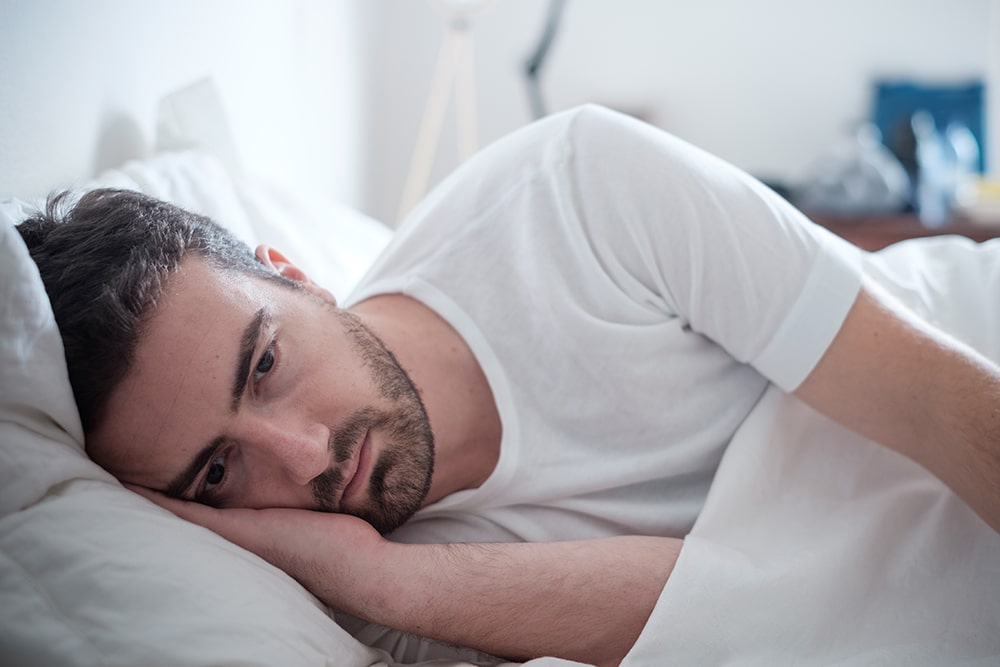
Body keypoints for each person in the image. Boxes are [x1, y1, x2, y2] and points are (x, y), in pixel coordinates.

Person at [16, 105, 1000, 665]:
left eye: (265, 362)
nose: (307, 457)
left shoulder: (575, 191)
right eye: (219, 473)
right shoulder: (358, 584)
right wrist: (379, 579)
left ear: (294, 271)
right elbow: (741, 606)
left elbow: (931, 396)